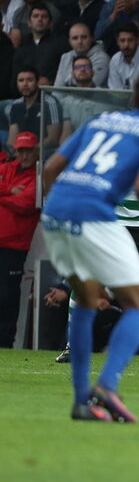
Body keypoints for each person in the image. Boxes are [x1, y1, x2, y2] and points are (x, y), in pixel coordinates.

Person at [41, 69, 139, 422]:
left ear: (134, 97)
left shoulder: (100, 121)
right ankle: (106, 387)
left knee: (86, 299)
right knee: (138, 304)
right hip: (96, 214)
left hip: (56, 211)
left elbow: (50, 169)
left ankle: (81, 402)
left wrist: (57, 210)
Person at [0, 131, 40, 348]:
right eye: (21, 151)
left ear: (36, 152)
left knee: (7, 295)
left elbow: (25, 203)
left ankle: (5, 341)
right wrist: (8, 191)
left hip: (15, 246)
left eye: (28, 151)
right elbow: (16, 200)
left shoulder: (38, 176)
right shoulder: (8, 168)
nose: (24, 155)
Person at [7, 67, 63, 151]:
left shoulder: (50, 102)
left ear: (37, 82)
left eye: (29, 80)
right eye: (21, 80)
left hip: (43, 151)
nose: (25, 84)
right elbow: (12, 139)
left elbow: (53, 139)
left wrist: (31, 151)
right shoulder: (16, 105)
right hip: (21, 150)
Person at [106, 21, 139, 90]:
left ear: (137, 40)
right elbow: (115, 91)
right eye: (122, 40)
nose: (126, 45)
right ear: (117, 42)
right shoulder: (115, 60)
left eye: (130, 40)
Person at [54, 22, 109, 87]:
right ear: (70, 41)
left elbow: (89, 84)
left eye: (84, 37)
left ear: (91, 38)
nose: (80, 41)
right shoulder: (65, 57)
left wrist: (67, 80)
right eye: (75, 38)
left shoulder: (102, 58)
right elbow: (58, 87)